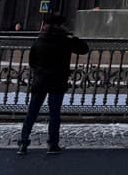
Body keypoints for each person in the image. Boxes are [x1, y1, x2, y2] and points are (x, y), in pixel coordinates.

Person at [17, 14, 89, 155]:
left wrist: (40, 72)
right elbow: (84, 49)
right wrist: (72, 37)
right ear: (60, 26)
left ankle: (23, 143)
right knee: (54, 113)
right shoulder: (65, 41)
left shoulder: (39, 40)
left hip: (41, 81)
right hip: (57, 81)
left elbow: (32, 62)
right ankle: (52, 144)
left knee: (32, 113)